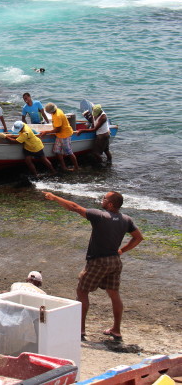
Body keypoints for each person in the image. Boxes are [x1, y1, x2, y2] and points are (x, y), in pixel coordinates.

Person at [43, 191, 144, 341]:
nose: (101, 200)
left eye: (104, 198)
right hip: (115, 261)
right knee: (114, 294)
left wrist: (54, 197)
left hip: (98, 261)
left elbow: (74, 207)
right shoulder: (126, 219)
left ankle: (80, 329)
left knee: (82, 291)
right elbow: (138, 238)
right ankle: (116, 330)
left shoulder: (100, 216)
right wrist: (122, 250)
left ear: (110, 204)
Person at [42, 103, 78, 171]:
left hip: (65, 135)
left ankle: (76, 167)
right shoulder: (56, 111)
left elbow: (58, 130)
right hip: (59, 135)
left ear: (51, 111)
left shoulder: (58, 115)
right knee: (57, 151)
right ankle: (63, 167)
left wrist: (47, 132)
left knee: (69, 152)